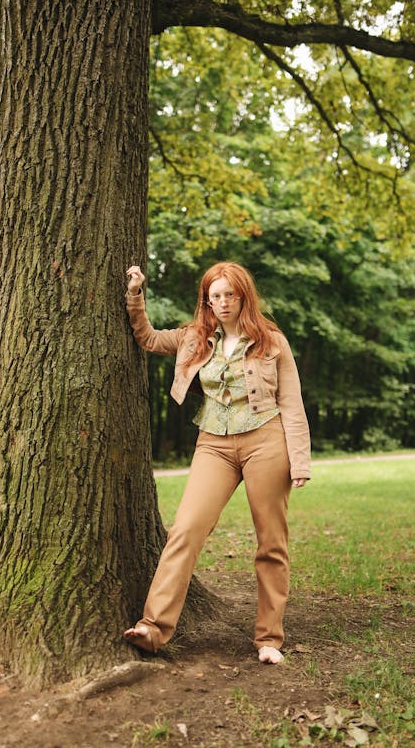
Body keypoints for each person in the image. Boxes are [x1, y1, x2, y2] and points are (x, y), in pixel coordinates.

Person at [124, 261, 310, 664]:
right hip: (214, 444)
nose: (223, 303)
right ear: (206, 301)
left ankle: (268, 639)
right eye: (215, 296)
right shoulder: (195, 338)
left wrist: (300, 461)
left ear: (244, 296)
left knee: (271, 542)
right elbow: (149, 338)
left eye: (230, 295)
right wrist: (136, 295)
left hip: (267, 441)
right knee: (186, 529)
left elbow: (291, 403)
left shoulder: (271, 341)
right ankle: (152, 629)